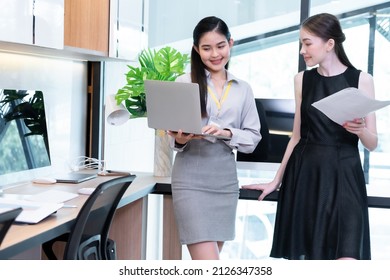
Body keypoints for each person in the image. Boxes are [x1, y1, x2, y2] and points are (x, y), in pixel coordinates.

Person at [242, 13, 378, 260]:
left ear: (329, 44)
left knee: (347, 257)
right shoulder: (301, 80)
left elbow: (372, 143)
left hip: (346, 177)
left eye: (307, 43)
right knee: (308, 261)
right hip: (305, 175)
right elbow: (295, 137)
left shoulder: (361, 80)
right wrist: (276, 180)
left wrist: (361, 131)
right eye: (301, 44)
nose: (302, 50)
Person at [168, 16, 261, 260]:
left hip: (224, 182)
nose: (215, 54)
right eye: (206, 48)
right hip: (190, 180)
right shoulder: (184, 82)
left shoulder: (243, 88)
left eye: (220, 46)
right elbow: (172, 141)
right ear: (196, 49)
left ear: (230, 43)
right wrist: (181, 138)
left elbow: (253, 139)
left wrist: (226, 133)